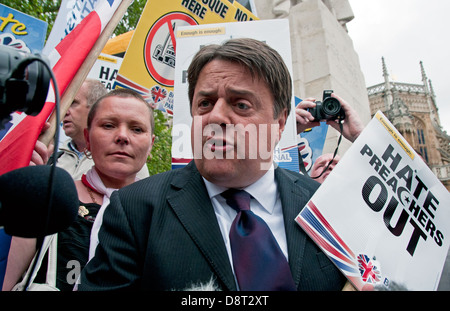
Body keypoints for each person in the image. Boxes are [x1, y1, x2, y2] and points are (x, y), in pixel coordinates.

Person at [78, 38, 358, 291]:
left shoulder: (325, 204)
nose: (216, 117)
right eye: (205, 103)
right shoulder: (135, 210)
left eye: (241, 105)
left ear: (280, 123)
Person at [2, 89, 155, 291]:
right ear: (87, 138)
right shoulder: (48, 197)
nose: (122, 137)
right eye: (108, 125)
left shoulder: (161, 217)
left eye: (137, 129)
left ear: (151, 144)